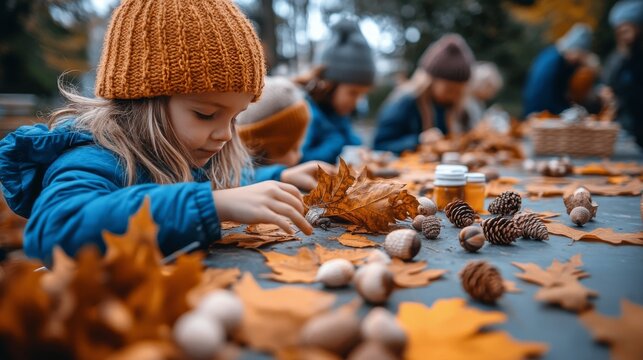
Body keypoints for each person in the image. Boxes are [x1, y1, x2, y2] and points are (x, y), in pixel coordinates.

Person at [0, 0, 313, 266]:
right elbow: (55, 230)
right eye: (206, 114)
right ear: (142, 101)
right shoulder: (94, 157)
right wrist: (210, 205)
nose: (226, 134)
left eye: (235, 118)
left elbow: (233, 184)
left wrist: (281, 177)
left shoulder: (187, 150)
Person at [373, 34, 474, 154]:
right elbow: (379, 146)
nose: (454, 95)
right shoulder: (405, 104)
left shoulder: (458, 109)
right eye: (449, 89)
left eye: (459, 91)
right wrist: (418, 140)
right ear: (430, 81)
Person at [295, 18, 375, 164]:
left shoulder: (338, 113)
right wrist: (337, 143)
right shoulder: (306, 115)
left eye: (362, 94)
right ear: (329, 85)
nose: (356, 102)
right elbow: (298, 160)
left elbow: (352, 139)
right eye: (353, 93)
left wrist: (359, 150)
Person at [236, 76, 335, 191]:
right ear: (262, 149)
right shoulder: (231, 176)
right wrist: (281, 175)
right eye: (293, 148)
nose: (300, 155)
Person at [522, 23, 594, 117]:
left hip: (535, 110)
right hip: (540, 113)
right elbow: (547, 97)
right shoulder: (555, 63)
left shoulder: (551, 54)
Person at [602, 0, 643, 147]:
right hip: (625, 127)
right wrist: (605, 92)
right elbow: (607, 81)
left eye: (626, 30)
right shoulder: (618, 56)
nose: (623, 35)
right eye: (619, 31)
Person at [464, 61, 504, 127]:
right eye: (491, 89)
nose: (492, 95)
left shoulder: (478, 102)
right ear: (481, 85)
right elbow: (475, 126)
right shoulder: (468, 102)